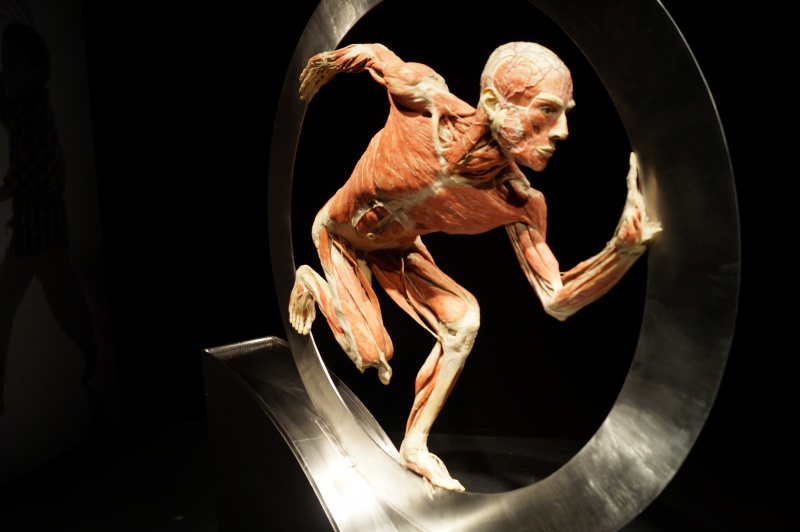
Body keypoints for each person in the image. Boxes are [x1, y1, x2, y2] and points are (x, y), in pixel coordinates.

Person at [289, 42, 661, 491]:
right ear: (491, 102)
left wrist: (621, 250)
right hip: (338, 233)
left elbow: (557, 299)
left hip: (399, 251)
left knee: (464, 321)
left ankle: (415, 445)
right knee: (372, 355)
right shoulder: (425, 99)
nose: (562, 131)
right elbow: (378, 55)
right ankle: (311, 280)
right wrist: (332, 61)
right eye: (546, 111)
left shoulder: (519, 201)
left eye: (565, 114)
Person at [0, 23, 97, 417]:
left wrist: (8, 188)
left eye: (14, 63)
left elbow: (46, 172)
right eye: (4, 63)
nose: (7, 71)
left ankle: (89, 347)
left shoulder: (38, 115)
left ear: (39, 71)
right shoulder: (23, 110)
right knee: (6, 301)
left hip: (45, 233)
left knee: (63, 299)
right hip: (28, 233)